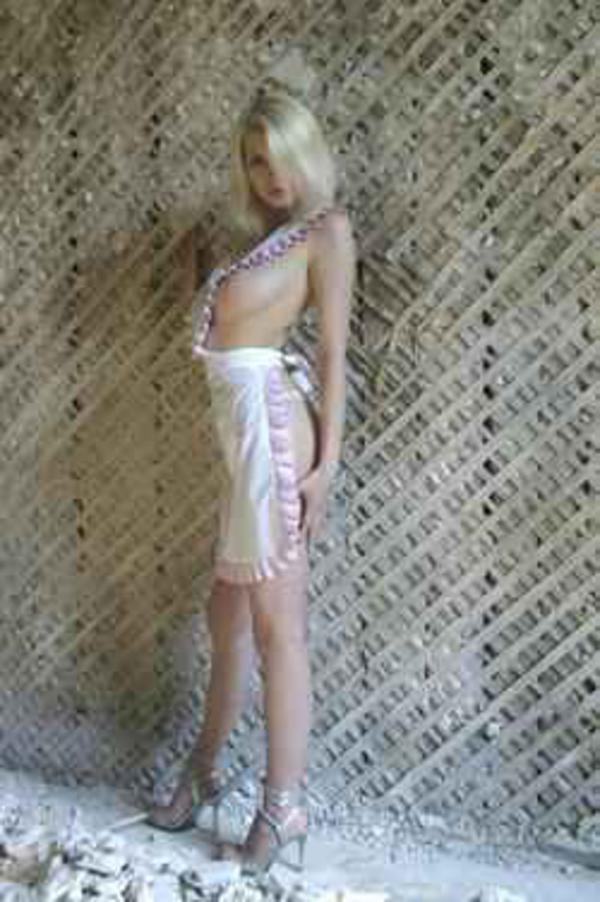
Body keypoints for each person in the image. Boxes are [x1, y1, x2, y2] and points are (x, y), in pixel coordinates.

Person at [146, 84, 356, 877]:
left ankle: (282, 806)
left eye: (279, 158)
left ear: (307, 151)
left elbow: (332, 352)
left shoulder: (326, 232)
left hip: (274, 433)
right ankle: (203, 774)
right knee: (226, 621)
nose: (270, 176)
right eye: (255, 162)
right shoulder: (265, 241)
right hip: (242, 442)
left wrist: (327, 465)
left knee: (276, 628)